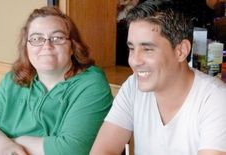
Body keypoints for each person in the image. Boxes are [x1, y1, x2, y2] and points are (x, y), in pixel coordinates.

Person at [90, 1, 226, 155]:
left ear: (181, 51)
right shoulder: (133, 86)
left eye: (148, 49)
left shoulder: (216, 99)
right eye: (132, 48)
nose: (134, 61)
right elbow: (103, 150)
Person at [0, 6, 113, 155]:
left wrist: (11, 144)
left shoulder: (91, 84)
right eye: (36, 39)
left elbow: (71, 150)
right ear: (26, 47)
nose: (47, 46)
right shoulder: (13, 80)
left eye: (58, 38)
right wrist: (5, 146)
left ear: (72, 46)